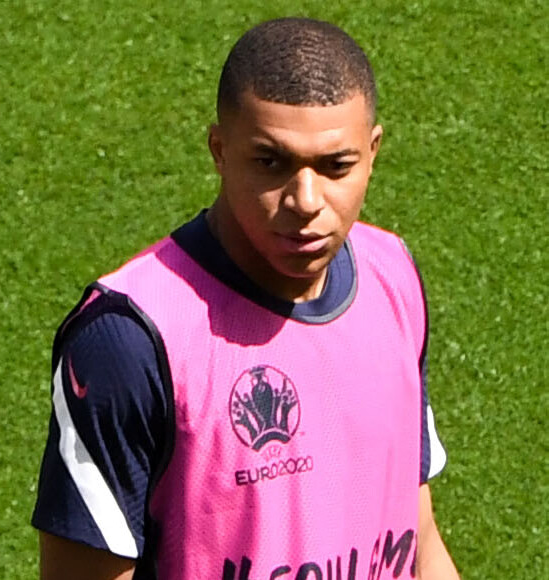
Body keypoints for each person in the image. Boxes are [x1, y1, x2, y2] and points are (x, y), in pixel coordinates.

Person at [32, 17, 461, 580]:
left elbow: (415, 533)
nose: (306, 200)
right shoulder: (129, 340)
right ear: (219, 150)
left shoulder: (392, 278)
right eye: (271, 163)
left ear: (373, 151)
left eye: (336, 166)